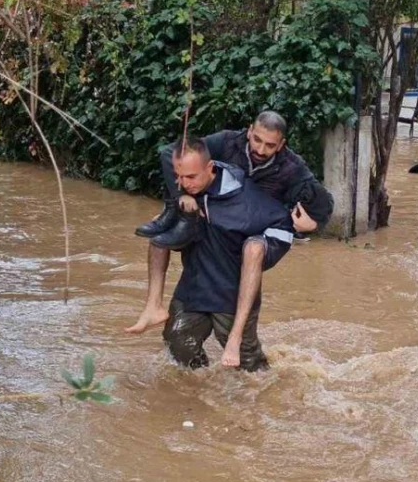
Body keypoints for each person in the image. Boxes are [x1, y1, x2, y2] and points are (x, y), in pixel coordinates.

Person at [125, 112, 333, 367]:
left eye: (269, 145)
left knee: (252, 250)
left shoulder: (292, 166)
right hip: (221, 220)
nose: (260, 149)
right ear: (248, 132)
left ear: (281, 145)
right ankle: (161, 317)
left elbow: (323, 201)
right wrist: (180, 196)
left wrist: (313, 224)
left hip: (263, 228)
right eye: (257, 140)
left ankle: (237, 343)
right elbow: (174, 154)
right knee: (179, 338)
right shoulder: (226, 142)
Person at [157, 137, 294, 372]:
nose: (183, 183)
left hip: (231, 295)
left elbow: (282, 226)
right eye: (179, 177)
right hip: (193, 289)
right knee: (178, 343)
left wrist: (264, 245)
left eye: (191, 177)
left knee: (250, 369)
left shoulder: (246, 199)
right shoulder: (183, 194)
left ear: (209, 169)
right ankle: (200, 390)